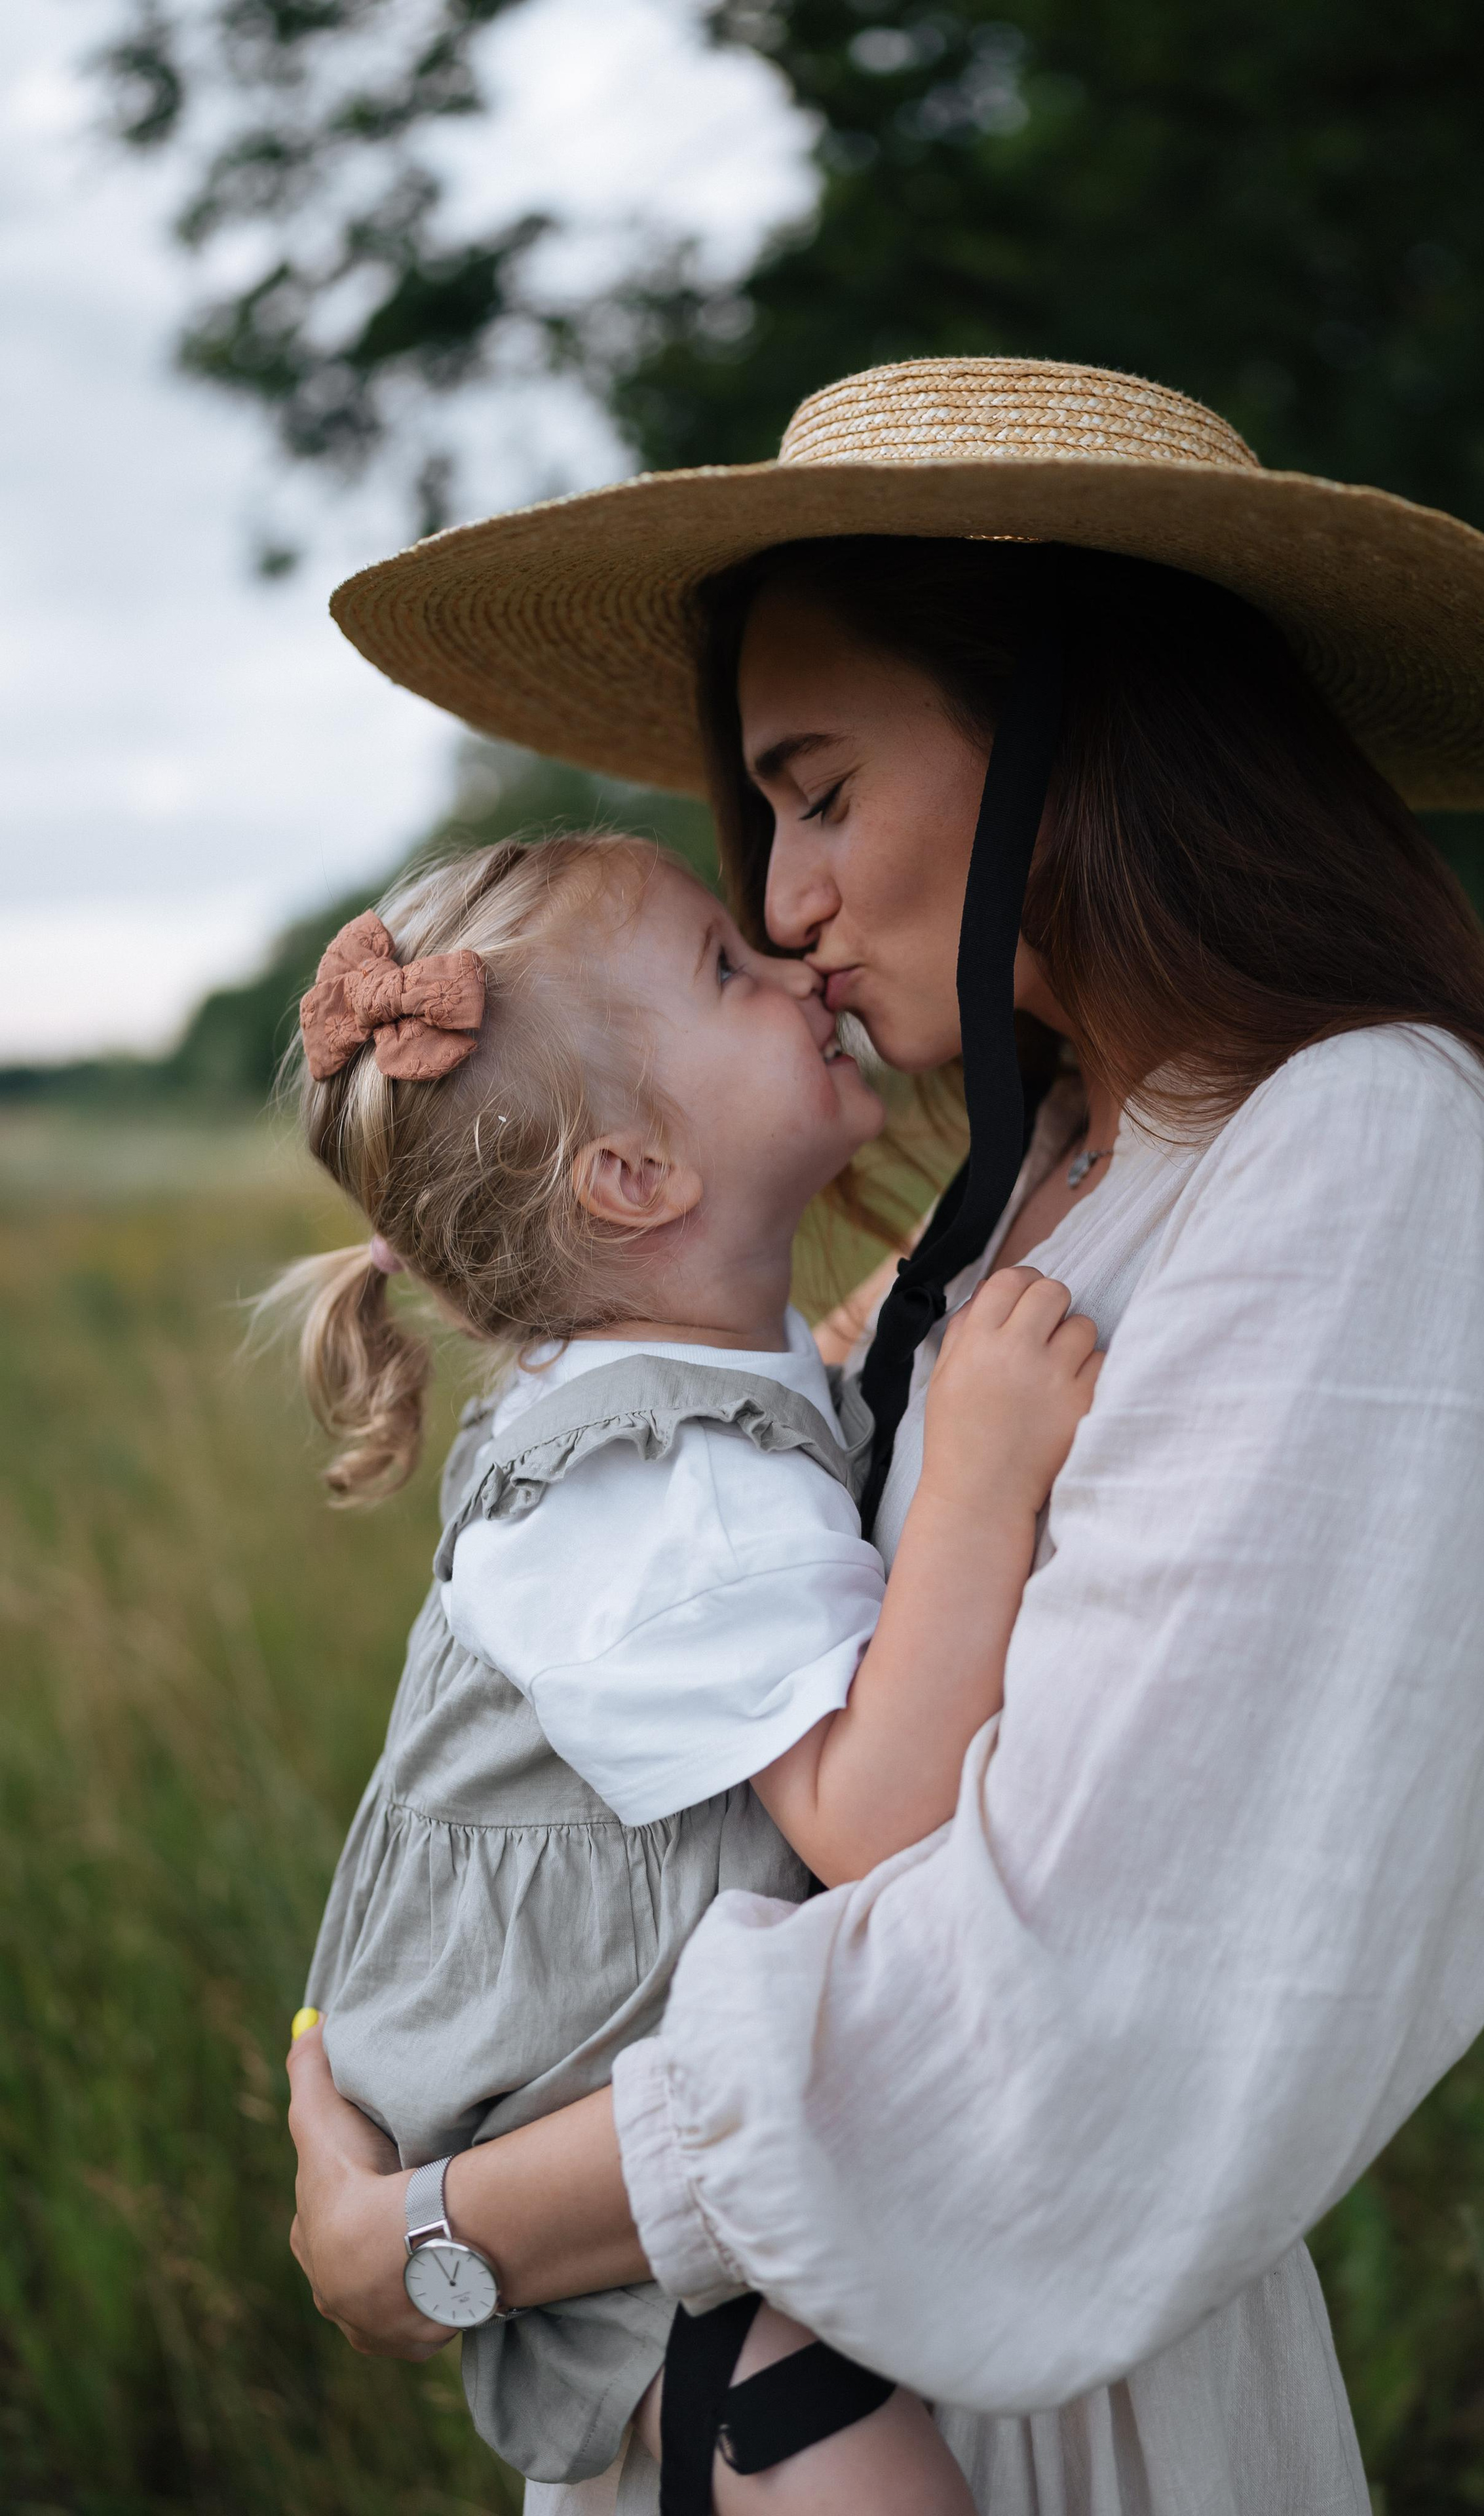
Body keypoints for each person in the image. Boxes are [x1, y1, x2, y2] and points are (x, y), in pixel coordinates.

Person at [288, 356, 1484, 2516]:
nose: (788, 902)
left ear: (1060, 734)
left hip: (1024, 2391)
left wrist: (447, 2237)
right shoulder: (1043, 1177)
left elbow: (1101, 2001)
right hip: (773, 2345)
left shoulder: (1360, 1148)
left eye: (819, 793)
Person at [268, 828, 1101, 2510]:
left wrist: (916, 1307)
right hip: (580, 2174)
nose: (793, 963)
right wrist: (983, 1470)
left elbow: (808, 1413)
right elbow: (876, 1815)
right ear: (633, 1176)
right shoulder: (659, 1496)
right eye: (727, 967)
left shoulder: (679, 1372)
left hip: (602, 2116)